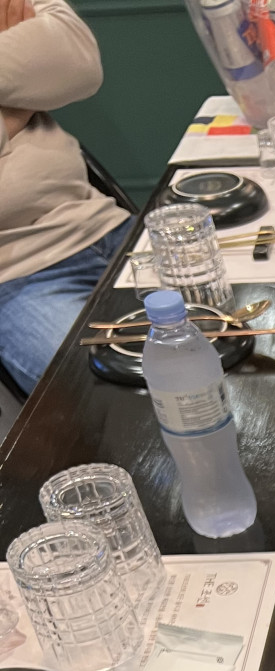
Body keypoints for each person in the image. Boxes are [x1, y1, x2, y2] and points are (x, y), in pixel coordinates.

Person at [0, 0, 131, 394]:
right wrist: (19, 103)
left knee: (259, 319)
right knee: (114, 398)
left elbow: (76, 61)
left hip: (102, 221)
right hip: (16, 276)